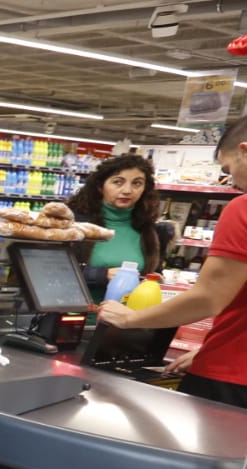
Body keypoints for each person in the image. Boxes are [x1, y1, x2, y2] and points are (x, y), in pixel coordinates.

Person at [99, 116, 247, 409]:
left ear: (245, 150)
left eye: (228, 169)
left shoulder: (242, 209)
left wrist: (129, 319)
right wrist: (208, 348)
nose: (231, 181)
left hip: (231, 379)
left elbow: (208, 299)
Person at [66, 153, 170, 300]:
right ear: (100, 187)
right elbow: (53, 270)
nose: (127, 190)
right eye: (118, 182)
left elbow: (155, 271)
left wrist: (155, 280)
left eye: (137, 183)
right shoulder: (73, 224)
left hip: (127, 317)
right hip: (76, 314)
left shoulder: (151, 231)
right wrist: (102, 275)